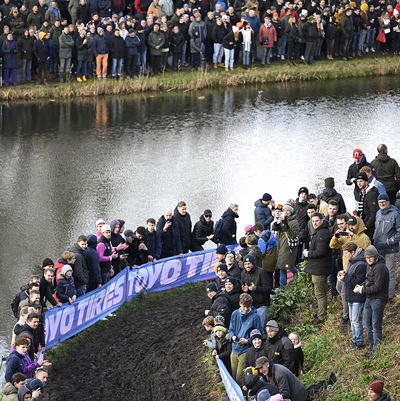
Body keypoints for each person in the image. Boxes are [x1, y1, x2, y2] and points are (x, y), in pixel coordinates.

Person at [354, 245, 389, 358]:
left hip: (378, 298)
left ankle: (377, 350)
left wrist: (362, 290)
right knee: (366, 323)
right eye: (367, 257)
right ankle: (371, 345)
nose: (368, 259)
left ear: (375, 256)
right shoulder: (370, 266)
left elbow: (377, 287)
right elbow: (368, 280)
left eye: (370, 257)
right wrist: (361, 285)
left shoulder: (380, 268)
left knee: (375, 324)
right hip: (370, 297)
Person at [303, 212, 332, 323]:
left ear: (322, 220)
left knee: (320, 294)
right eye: (313, 221)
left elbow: (321, 251)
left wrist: (308, 254)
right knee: (321, 293)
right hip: (319, 267)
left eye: (317, 221)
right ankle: (322, 313)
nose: (314, 223)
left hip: (320, 268)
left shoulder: (323, 233)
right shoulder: (321, 232)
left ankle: (321, 317)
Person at [228, 293, 263, 385]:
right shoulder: (234, 314)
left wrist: (248, 341)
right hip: (234, 349)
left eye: (248, 306)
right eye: (244, 307)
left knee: (240, 378)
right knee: (234, 376)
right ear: (240, 304)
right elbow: (231, 329)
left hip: (245, 350)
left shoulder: (255, 317)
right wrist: (232, 337)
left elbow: (260, 334)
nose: (246, 309)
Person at [338, 241, 367, 350]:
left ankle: (359, 343)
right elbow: (352, 277)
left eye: (346, 253)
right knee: (352, 320)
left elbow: (359, 281)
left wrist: (344, 278)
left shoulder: (361, 264)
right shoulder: (351, 261)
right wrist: (345, 275)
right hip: (350, 295)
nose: (345, 255)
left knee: (355, 320)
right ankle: (354, 340)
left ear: (353, 252)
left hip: (358, 297)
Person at [373, 193, 400, 301]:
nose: (382, 204)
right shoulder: (378, 213)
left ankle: (389, 296)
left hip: (390, 249)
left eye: (384, 202)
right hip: (379, 248)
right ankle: (380, 292)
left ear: (388, 202)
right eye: (380, 202)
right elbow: (376, 229)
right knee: (380, 272)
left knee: (390, 272)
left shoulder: (395, 214)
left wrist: (390, 241)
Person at [272, 202, 299, 289]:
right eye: (285, 210)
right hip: (281, 247)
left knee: (287, 267)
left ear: (291, 211)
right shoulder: (283, 219)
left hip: (288, 248)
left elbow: (293, 235)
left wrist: (287, 226)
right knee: (283, 268)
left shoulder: (294, 222)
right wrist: (278, 223)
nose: (286, 212)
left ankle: (283, 289)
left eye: (288, 210)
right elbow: (274, 228)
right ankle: (283, 289)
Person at [241, 254, 272, 327]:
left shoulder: (261, 272)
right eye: (245, 264)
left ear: (253, 263)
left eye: (249, 264)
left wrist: (256, 288)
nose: (247, 266)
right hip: (250, 305)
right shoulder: (243, 273)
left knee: (259, 326)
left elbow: (269, 288)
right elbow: (243, 288)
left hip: (262, 304)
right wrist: (245, 291)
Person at [356, 171, 379, 240]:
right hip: (363, 223)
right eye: (357, 181)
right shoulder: (363, 192)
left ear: (366, 181)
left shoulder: (370, 194)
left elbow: (374, 213)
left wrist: (367, 226)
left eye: (361, 181)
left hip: (369, 227)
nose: (359, 183)